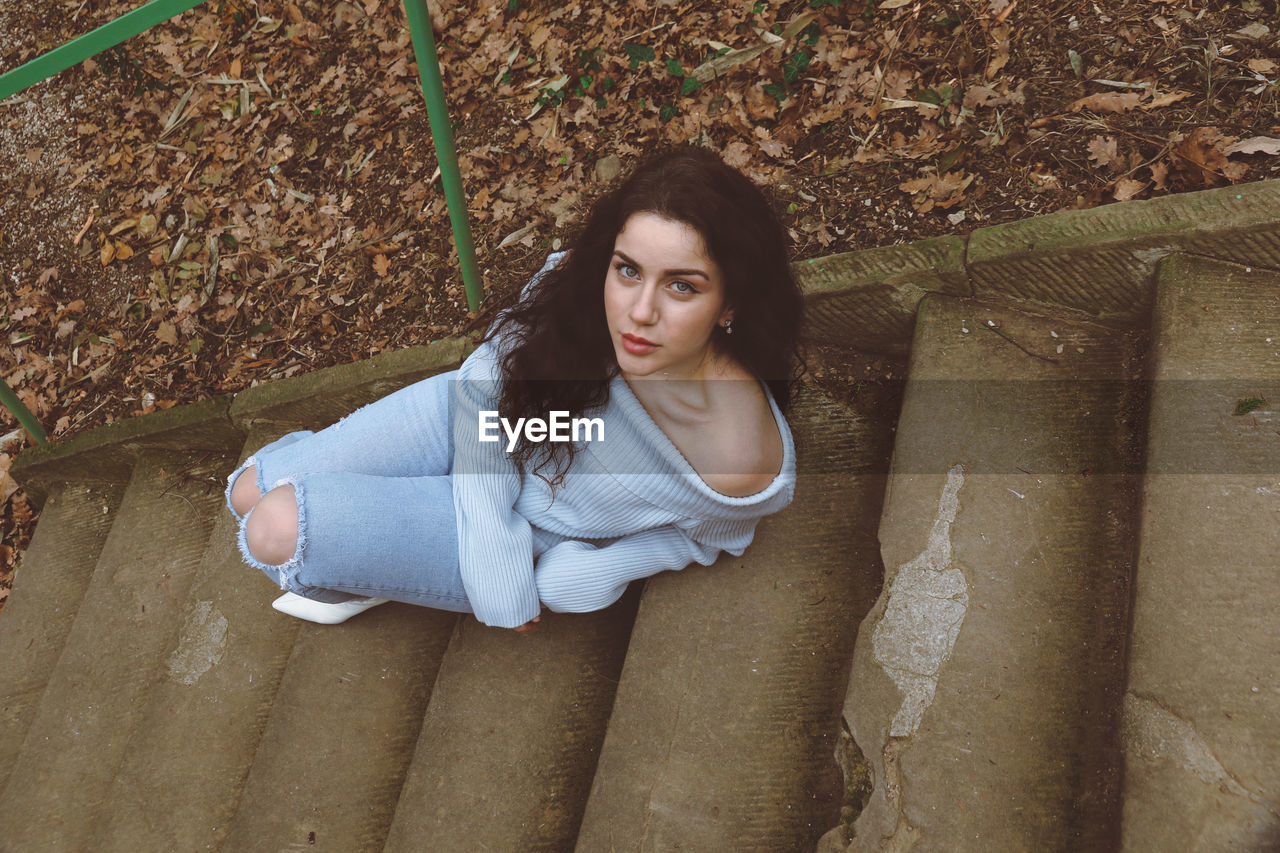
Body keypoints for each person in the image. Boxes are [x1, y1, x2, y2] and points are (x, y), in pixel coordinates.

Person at [225, 146, 803, 630]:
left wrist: (591, 573)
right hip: (474, 425)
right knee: (248, 491)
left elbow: (709, 538)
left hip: (534, 523)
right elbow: (483, 387)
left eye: (681, 286)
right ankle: (366, 557)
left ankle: (366, 565)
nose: (638, 313)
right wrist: (494, 564)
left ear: (730, 301)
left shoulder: (737, 457)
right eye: (628, 269)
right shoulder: (584, 285)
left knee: (274, 527)